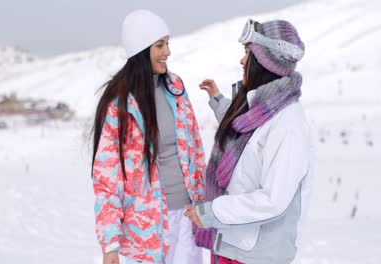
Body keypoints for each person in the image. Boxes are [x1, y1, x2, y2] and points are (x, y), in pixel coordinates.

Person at [184, 18, 313, 264]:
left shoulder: (288, 124)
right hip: (232, 243)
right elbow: (244, 132)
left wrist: (210, 212)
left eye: (247, 53)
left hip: (254, 255)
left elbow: (274, 200)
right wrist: (218, 100)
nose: (242, 61)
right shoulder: (262, 109)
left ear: (266, 62)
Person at [91, 10, 205, 264]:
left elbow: (195, 152)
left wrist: (201, 205)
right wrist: (110, 243)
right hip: (145, 232)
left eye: (168, 43)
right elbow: (107, 180)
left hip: (187, 219)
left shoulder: (175, 88)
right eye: (160, 45)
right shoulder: (120, 105)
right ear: (141, 50)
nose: (168, 52)